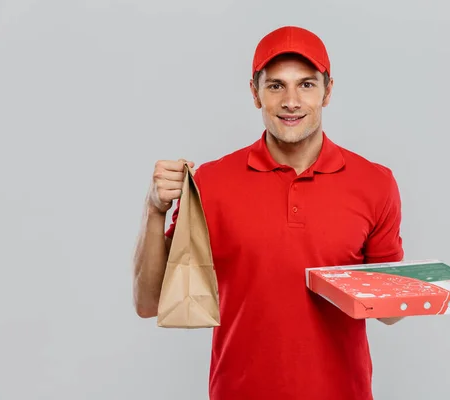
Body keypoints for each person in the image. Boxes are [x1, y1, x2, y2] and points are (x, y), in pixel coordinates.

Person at [133, 25, 405, 400]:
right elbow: (149, 304)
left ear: (328, 91)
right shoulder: (211, 183)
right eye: (276, 86)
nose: (291, 101)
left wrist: (425, 288)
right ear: (254, 93)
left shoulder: (375, 183)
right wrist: (154, 210)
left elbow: (390, 312)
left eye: (306, 84)